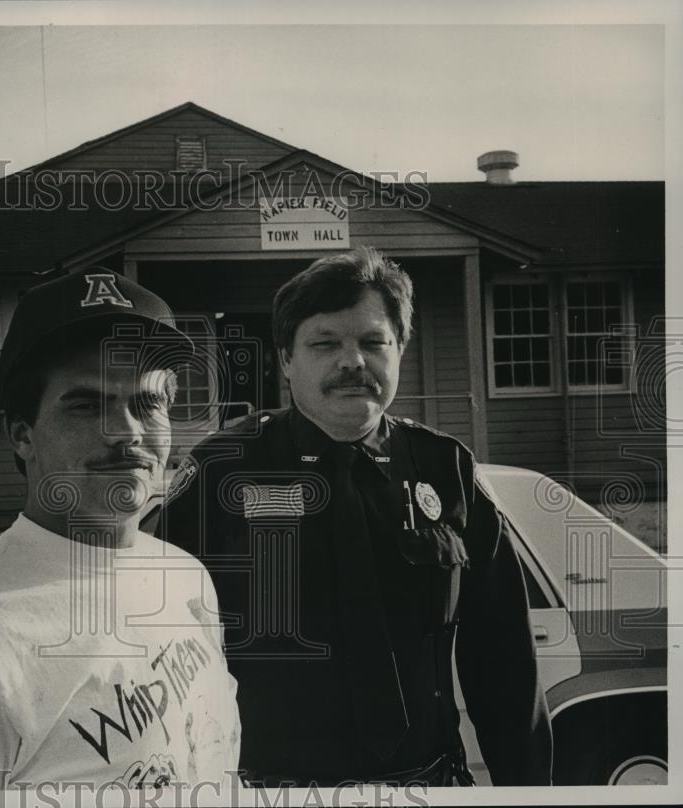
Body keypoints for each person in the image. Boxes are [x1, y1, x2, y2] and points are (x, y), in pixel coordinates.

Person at [155, 247, 552, 787]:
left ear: (400, 351)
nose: (353, 362)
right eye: (324, 343)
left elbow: (502, 661)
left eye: (372, 342)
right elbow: (160, 654)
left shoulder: (444, 468)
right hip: (274, 792)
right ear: (286, 359)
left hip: (428, 785)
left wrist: (527, 795)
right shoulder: (221, 471)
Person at [0, 270, 240, 791]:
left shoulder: (183, 576)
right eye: (87, 405)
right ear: (21, 434)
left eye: (148, 403)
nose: (127, 432)